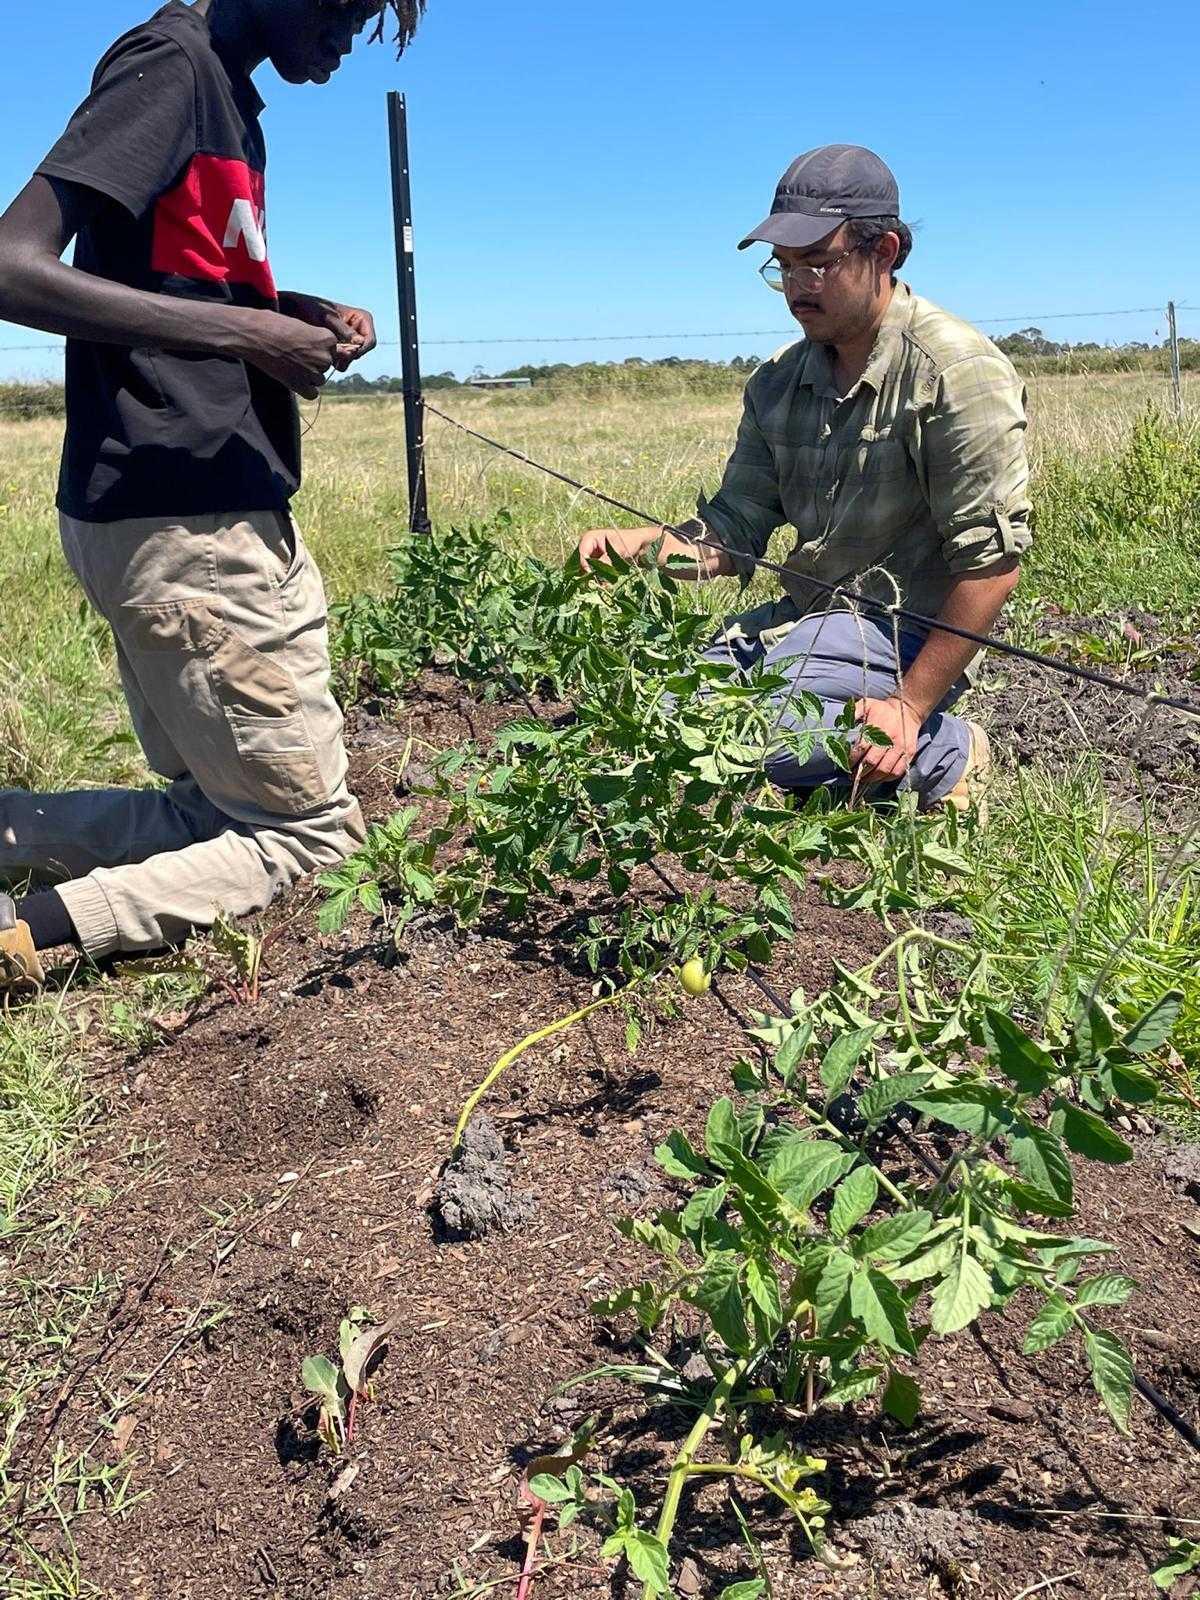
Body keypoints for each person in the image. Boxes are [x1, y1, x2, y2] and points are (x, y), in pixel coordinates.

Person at [0, 1, 427, 993]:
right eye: (343, 6)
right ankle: (34, 934)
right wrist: (249, 338)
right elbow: (14, 266)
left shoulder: (226, 91)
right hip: (187, 517)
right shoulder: (172, 68)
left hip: (172, 504)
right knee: (311, 835)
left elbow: (170, 291)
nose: (349, 37)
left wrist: (285, 312)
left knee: (216, 806)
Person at [578, 144, 1030, 815]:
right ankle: (844, 748)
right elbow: (733, 533)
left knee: (763, 737)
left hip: (907, 632)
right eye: (784, 268)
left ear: (886, 251)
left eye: (819, 263)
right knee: (655, 715)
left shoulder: (955, 373)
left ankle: (947, 749)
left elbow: (992, 564)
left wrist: (907, 706)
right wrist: (637, 546)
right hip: (809, 621)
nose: (797, 286)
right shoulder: (778, 381)